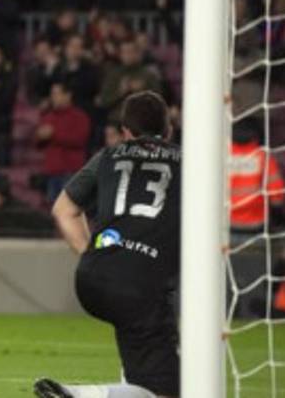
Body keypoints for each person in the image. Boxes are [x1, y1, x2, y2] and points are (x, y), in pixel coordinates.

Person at [34, 91, 181, 398]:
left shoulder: (109, 156)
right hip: (142, 283)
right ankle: (82, 395)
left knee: (141, 361)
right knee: (168, 391)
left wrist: (92, 254)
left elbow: (63, 209)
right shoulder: (187, 162)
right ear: (168, 130)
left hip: (93, 276)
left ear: (125, 132)